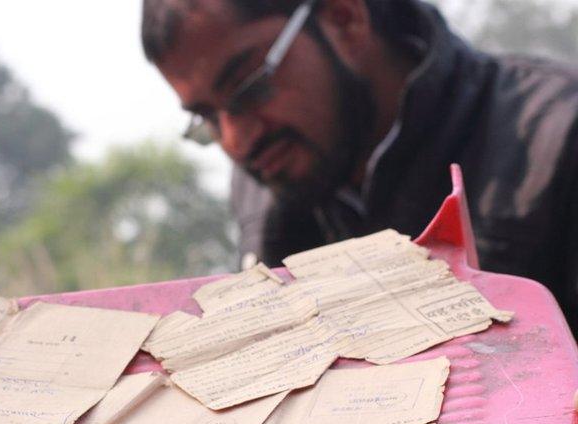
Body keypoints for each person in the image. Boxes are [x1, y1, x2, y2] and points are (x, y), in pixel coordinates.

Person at [141, 0, 578, 327]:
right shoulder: (267, 176)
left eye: (249, 86)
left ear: (343, 17)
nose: (235, 140)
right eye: (207, 118)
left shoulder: (557, 136)